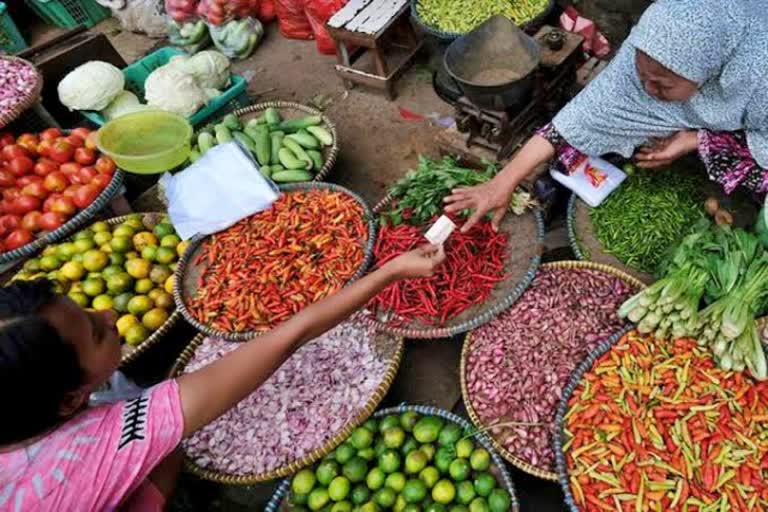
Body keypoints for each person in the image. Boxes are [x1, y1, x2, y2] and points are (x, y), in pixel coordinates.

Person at [0, 244, 445, 511]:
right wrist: (388, 272)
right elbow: (285, 339)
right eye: (98, 332)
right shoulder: (95, 452)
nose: (111, 312)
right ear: (68, 401)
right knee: (168, 445)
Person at [445, 0, 768, 231]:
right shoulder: (652, 48)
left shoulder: (759, 77)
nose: (648, 88)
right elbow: (580, 118)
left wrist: (696, 140)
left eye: (662, 85)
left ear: (706, 73)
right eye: (643, 75)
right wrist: (503, 181)